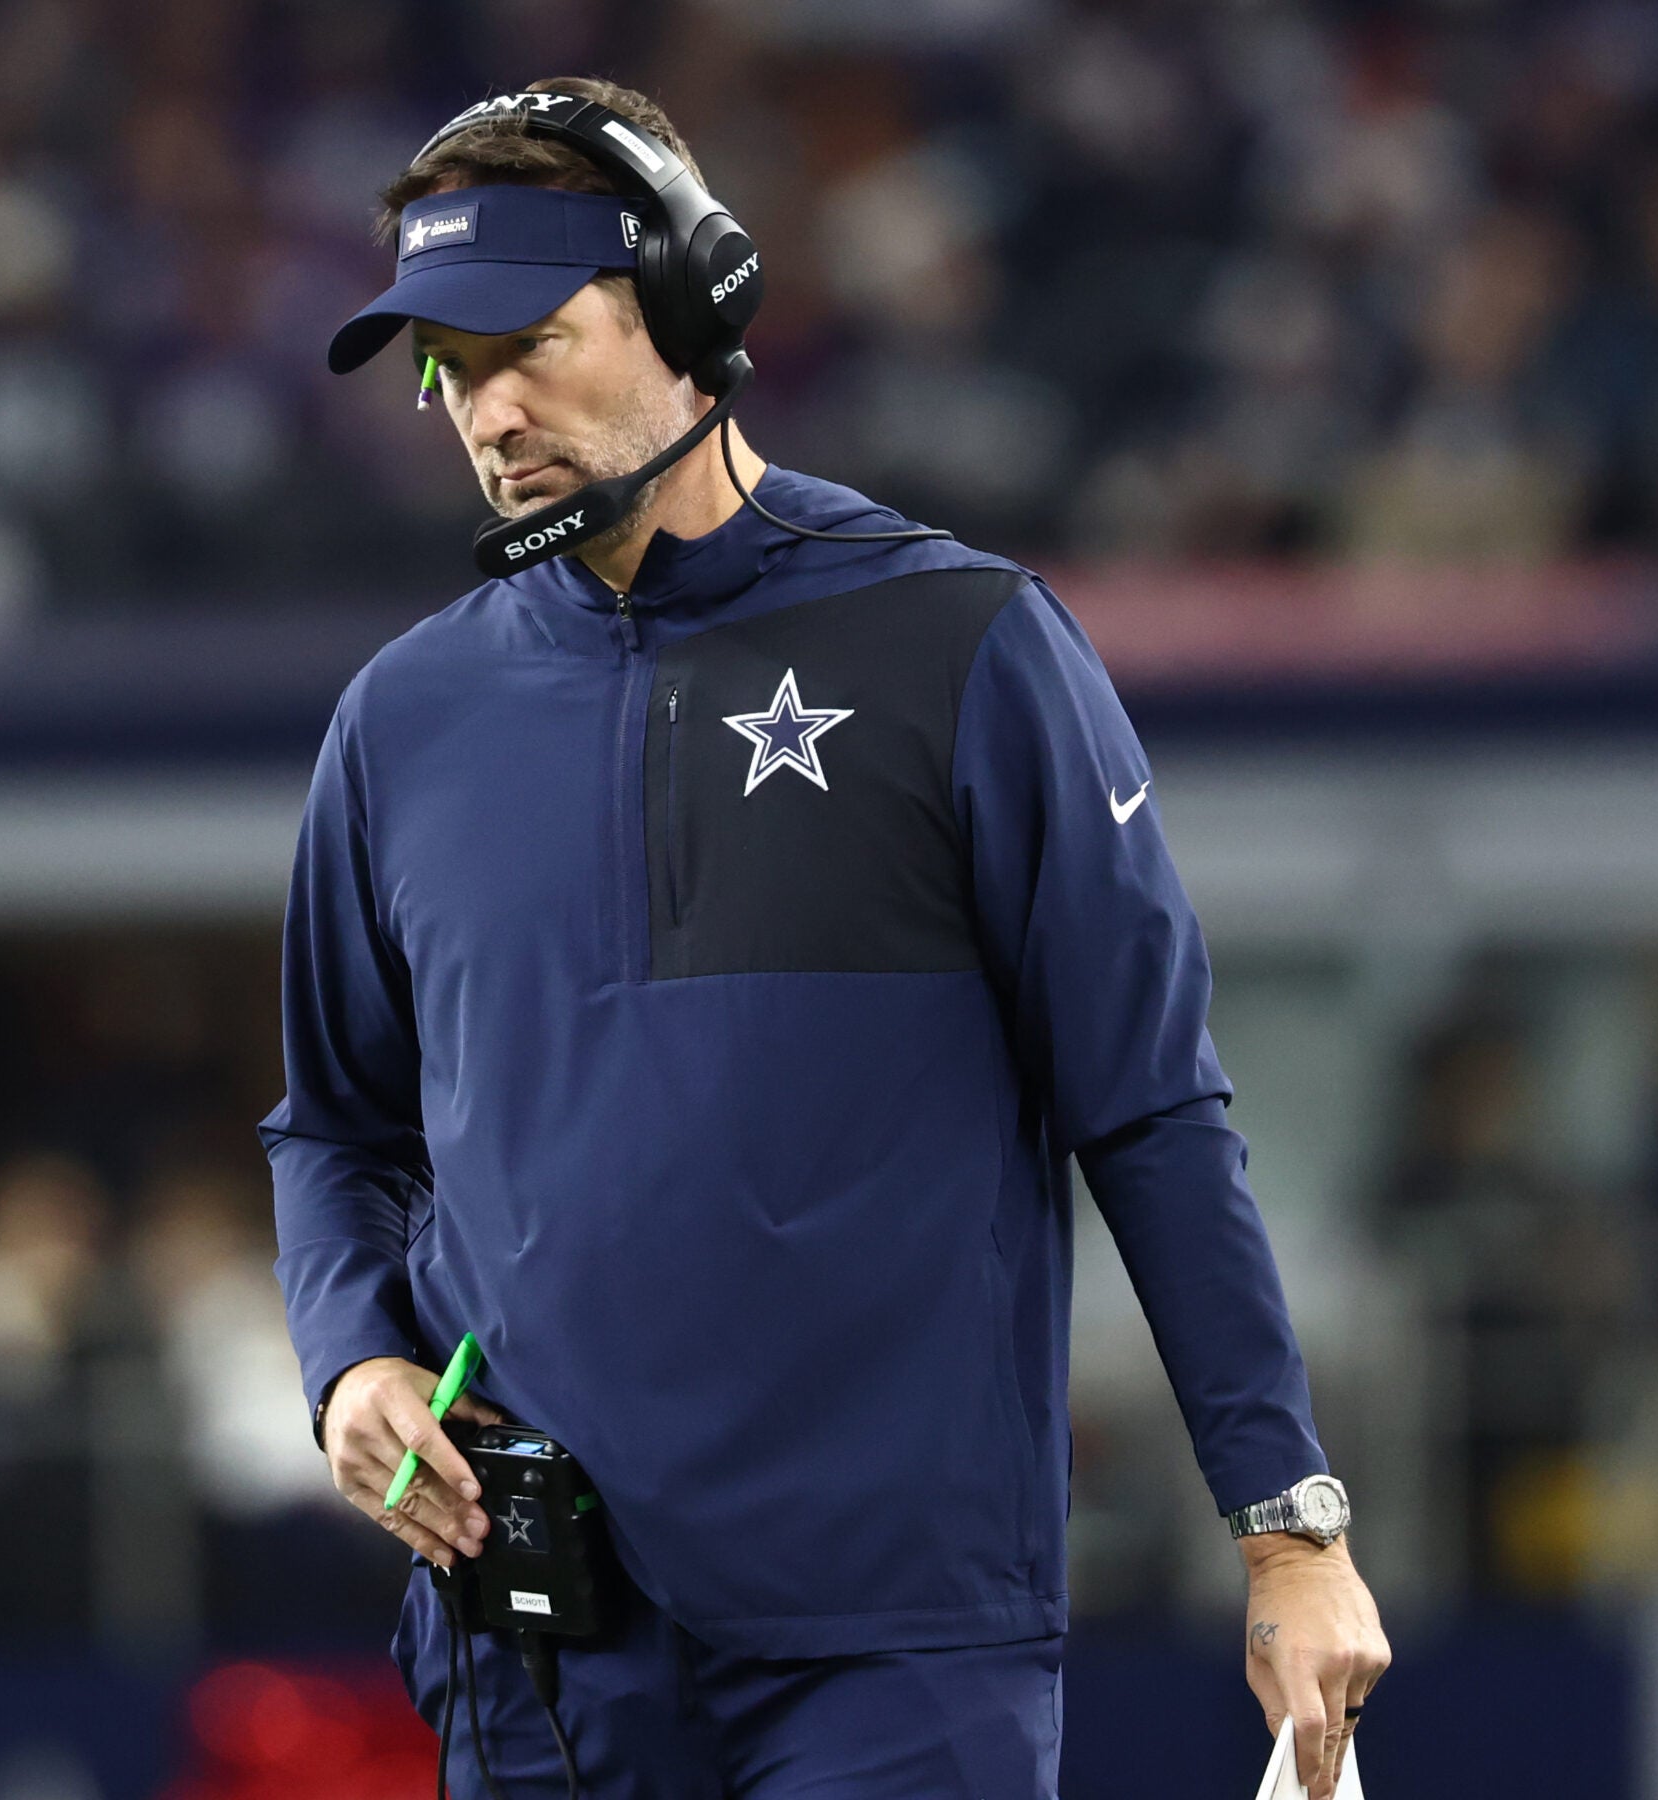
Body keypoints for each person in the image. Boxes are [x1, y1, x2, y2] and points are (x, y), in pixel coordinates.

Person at [259, 75, 1388, 1800]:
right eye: (446, 368)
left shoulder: (967, 647)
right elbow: (336, 1129)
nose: (486, 412)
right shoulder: (401, 720)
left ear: (698, 305)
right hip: (541, 1650)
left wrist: (1287, 1527)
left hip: (893, 1648)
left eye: (528, 342)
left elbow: (1152, 1111)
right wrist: (351, 1357)